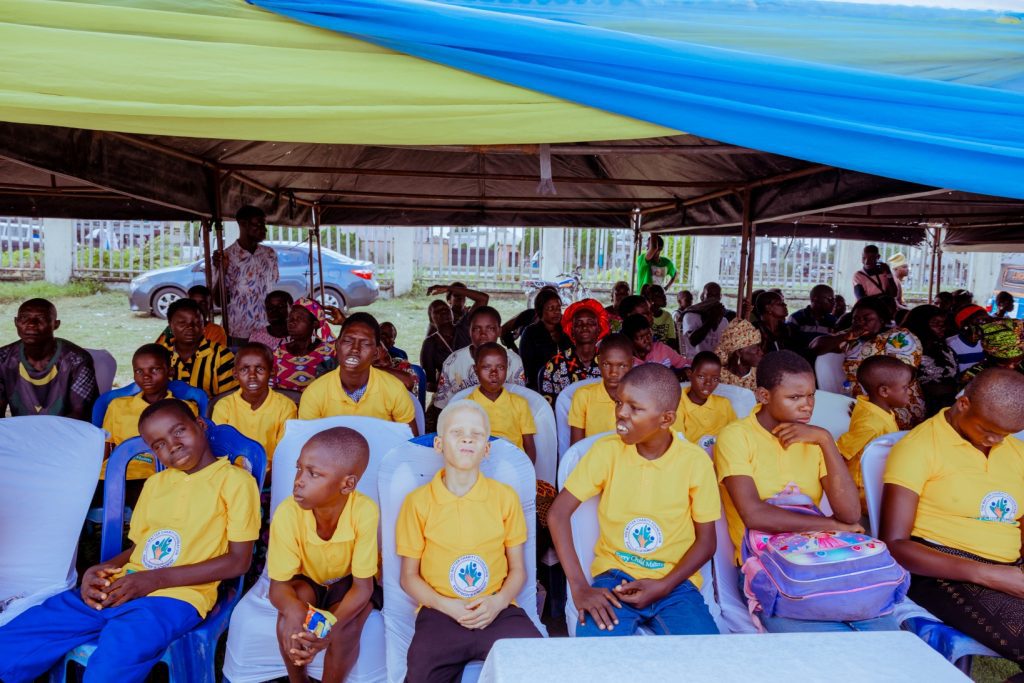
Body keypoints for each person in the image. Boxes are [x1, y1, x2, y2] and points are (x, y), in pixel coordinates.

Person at [0, 398, 260, 682]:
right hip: (123, 584)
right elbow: (139, 547)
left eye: (179, 431)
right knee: (26, 631)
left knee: (114, 661)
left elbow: (238, 562)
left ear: (199, 425)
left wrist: (154, 580)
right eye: (159, 444)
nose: (172, 445)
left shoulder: (235, 482)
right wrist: (99, 569)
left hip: (176, 597)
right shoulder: (156, 484)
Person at [715, 351, 897, 632]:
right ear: (763, 395)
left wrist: (825, 440)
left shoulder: (813, 438)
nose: (807, 406)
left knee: (879, 629)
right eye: (795, 397)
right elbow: (754, 514)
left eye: (811, 395)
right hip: (766, 565)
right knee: (823, 644)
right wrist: (831, 526)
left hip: (821, 556)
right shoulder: (736, 437)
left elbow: (849, 513)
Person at [549, 363, 720, 637]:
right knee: (596, 655)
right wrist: (579, 587)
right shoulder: (606, 453)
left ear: (666, 419)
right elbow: (557, 514)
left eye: (635, 408)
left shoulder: (695, 462)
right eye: (619, 403)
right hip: (614, 580)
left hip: (676, 585)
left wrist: (664, 585)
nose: (621, 413)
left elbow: (707, 542)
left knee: (706, 656)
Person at [881, 368, 1024, 666]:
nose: (995, 440)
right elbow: (894, 544)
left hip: (1008, 567)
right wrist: (988, 574)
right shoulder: (920, 447)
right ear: (964, 403)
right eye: (987, 429)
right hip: (942, 570)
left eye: (1005, 434)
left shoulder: (1015, 451)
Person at [397, 400, 541, 683]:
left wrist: (498, 602)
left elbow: (518, 570)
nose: (467, 439)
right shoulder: (418, 503)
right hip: (440, 613)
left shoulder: (505, 498)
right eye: (457, 432)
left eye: (477, 434)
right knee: (420, 673)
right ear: (439, 444)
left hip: (497, 611)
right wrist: (445, 605)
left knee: (537, 662)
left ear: (486, 449)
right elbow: (408, 577)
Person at [268, 427, 380, 683]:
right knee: (287, 621)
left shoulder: (364, 511)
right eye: (298, 469)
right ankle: (298, 681)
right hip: (308, 580)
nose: (299, 480)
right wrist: (295, 610)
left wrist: (329, 629)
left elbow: (362, 588)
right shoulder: (288, 513)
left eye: (313, 473)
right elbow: (278, 587)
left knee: (346, 629)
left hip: (349, 583)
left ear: (347, 484)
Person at [810, 296, 924, 429]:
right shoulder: (851, 337)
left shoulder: (898, 336)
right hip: (858, 403)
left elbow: (903, 376)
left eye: (867, 318)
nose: (860, 323)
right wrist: (846, 336)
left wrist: (871, 407)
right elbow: (814, 347)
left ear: (882, 319)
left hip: (895, 403)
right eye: (856, 319)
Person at [298, 313, 418, 435]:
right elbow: (305, 443)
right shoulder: (314, 393)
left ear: (376, 353)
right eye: (348, 341)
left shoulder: (394, 389)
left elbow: (412, 442)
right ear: (337, 345)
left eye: (365, 344)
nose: (355, 349)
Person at [103, 344, 199, 481]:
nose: (146, 376)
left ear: (170, 371)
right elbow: (105, 448)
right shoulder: (117, 406)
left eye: (155, 369)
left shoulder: (184, 408)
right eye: (139, 371)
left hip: (162, 476)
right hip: (116, 475)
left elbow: (192, 450)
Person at [836, 356, 912, 514]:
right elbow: (839, 452)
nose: (910, 392)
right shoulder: (870, 425)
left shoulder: (872, 406)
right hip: (865, 493)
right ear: (884, 391)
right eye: (905, 387)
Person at [0, 297, 97, 420]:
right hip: (21, 430)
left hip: (65, 430)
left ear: (56, 324)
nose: (31, 324)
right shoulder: (3, 358)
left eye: (41, 318)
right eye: (24, 317)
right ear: (16, 322)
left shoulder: (77, 360)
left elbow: (80, 415)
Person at [212, 342, 297, 473]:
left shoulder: (285, 407)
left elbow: (286, 456)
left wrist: (266, 478)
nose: (252, 376)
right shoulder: (224, 407)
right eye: (244, 369)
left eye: (260, 369)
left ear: (272, 372)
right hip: (232, 477)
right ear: (235, 374)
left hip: (272, 477)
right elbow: (219, 452)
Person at [432, 307, 525, 413]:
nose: (483, 334)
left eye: (490, 328)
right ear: (469, 331)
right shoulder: (453, 362)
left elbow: (520, 401)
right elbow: (443, 406)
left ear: (499, 331)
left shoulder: (514, 361)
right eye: (476, 329)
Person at [216, 205, 280, 346]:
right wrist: (222, 270)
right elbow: (218, 301)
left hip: (266, 328)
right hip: (238, 330)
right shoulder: (226, 256)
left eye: (264, 224)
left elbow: (271, 290)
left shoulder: (269, 254)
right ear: (243, 224)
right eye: (259, 224)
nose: (264, 229)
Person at [465, 343, 537, 464]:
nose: (494, 373)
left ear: (507, 368)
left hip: (514, 466)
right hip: (479, 467)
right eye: (486, 367)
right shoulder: (466, 406)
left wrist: (526, 472)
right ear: (475, 369)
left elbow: (530, 448)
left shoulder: (520, 404)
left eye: (500, 367)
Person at [162, 298, 238, 398]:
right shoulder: (160, 354)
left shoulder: (221, 355)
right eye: (182, 323)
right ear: (170, 325)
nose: (190, 327)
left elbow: (230, 398)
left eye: (197, 322)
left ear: (203, 325)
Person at [568, 334, 634, 445]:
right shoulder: (583, 396)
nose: (613, 373)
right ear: (598, 361)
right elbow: (577, 448)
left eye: (622, 366)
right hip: (593, 456)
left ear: (632, 363)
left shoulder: (642, 397)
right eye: (606, 364)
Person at [539, 299, 608, 405]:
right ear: (571, 330)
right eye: (579, 323)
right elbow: (549, 407)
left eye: (590, 323)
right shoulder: (556, 364)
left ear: (599, 329)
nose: (584, 327)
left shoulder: (609, 361)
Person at [903, 305, 959, 415]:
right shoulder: (908, 350)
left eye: (943, 324)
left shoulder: (944, 348)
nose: (942, 327)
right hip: (920, 407)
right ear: (920, 324)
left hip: (947, 405)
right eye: (935, 323)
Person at [273, 298, 336, 393]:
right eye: (290, 317)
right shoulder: (278, 353)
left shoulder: (330, 351)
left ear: (314, 324)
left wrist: (344, 322)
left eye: (299, 318)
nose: (291, 322)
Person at [674, 351, 737, 445]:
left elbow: (736, 434)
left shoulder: (724, 404)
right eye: (701, 377)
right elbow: (679, 443)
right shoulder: (676, 405)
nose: (708, 383)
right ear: (689, 374)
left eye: (715, 379)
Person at [518, 289, 569, 391]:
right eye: (551, 308)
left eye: (558, 308)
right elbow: (527, 366)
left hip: (565, 386)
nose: (556, 312)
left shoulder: (565, 331)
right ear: (540, 310)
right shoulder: (530, 333)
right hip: (538, 386)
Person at [155, 285, 228, 348]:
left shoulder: (216, 331)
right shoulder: (174, 329)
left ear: (209, 307)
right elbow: (157, 351)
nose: (197, 307)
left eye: (203, 303)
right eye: (193, 302)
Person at [425, 282, 490, 349]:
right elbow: (429, 344)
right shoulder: (441, 319)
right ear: (449, 300)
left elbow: (483, 299)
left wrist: (448, 288)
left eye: (463, 295)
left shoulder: (467, 316)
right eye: (456, 295)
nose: (460, 297)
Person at [959, 320, 1024, 388]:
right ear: (990, 356)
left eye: (1018, 362)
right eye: (1003, 363)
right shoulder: (975, 375)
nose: (1011, 367)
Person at [622, 314, 689, 378]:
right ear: (630, 341)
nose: (647, 339)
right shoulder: (626, 362)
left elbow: (684, 363)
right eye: (641, 337)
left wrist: (684, 372)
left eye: (649, 334)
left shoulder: (662, 349)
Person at [679, 282, 730, 360]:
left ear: (720, 298)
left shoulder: (724, 321)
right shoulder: (690, 316)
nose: (713, 299)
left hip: (715, 363)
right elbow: (693, 341)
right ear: (702, 297)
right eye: (709, 295)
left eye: (716, 295)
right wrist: (711, 320)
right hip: (695, 362)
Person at [786, 284, 837, 360]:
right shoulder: (796, 318)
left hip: (824, 363)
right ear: (815, 299)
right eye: (830, 299)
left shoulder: (833, 321)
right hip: (801, 362)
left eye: (834, 299)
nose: (834, 303)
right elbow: (790, 346)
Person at [420, 300, 457, 396]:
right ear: (431, 320)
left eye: (446, 309)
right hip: (448, 394)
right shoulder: (430, 343)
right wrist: (447, 388)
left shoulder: (464, 331)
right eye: (437, 311)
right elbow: (429, 383)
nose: (443, 312)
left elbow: (483, 299)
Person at [715, 318, 763, 391]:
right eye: (755, 348)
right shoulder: (717, 376)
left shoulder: (760, 375)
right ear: (739, 352)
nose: (761, 352)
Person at [945, 304, 988, 373]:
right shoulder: (950, 343)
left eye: (986, 320)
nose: (984, 324)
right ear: (964, 324)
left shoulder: (988, 342)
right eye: (979, 320)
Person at [647, 284, 678, 350]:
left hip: (664, 350)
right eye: (660, 295)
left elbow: (672, 339)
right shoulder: (645, 316)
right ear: (651, 298)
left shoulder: (667, 315)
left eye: (664, 295)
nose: (664, 297)